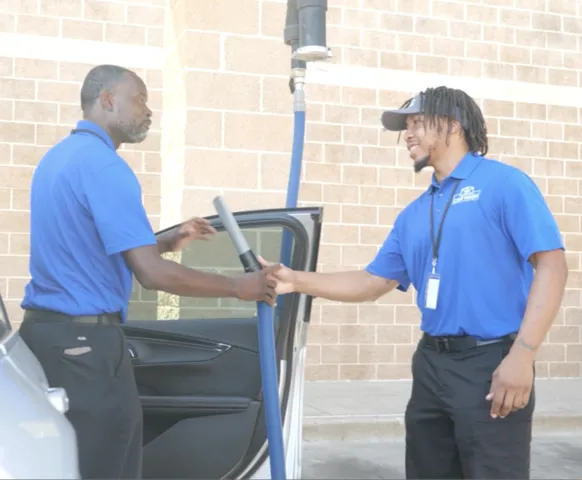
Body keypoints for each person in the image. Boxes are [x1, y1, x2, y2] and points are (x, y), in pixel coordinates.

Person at [261, 86, 568, 479]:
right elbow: (372, 282)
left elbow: (552, 266)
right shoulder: (413, 213)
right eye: (406, 127)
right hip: (431, 365)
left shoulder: (505, 184)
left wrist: (523, 355)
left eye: (418, 124)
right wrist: (296, 280)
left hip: (492, 362)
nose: (408, 135)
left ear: (454, 126)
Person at [18, 64, 280, 479]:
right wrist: (239, 286)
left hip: (49, 338)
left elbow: (89, 248)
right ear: (108, 100)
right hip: (87, 348)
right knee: (108, 466)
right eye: (139, 99)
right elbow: (152, 274)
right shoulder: (106, 168)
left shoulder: (59, 160)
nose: (148, 110)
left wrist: (166, 239)